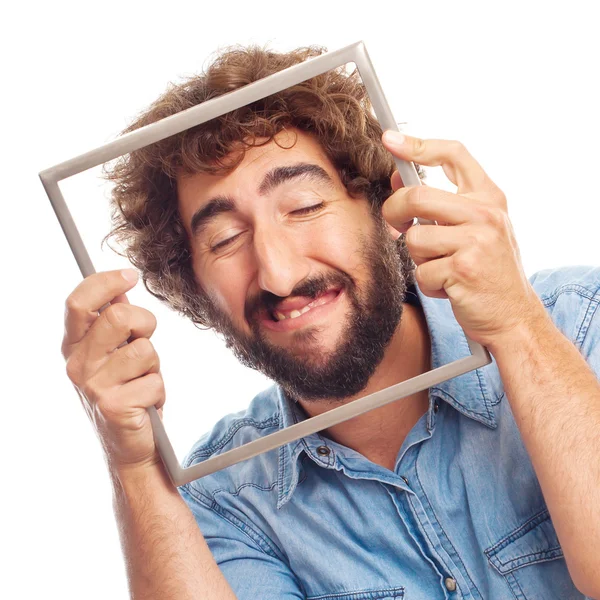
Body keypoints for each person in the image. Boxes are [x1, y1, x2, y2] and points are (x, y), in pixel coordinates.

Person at [61, 45, 600, 599]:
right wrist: (135, 466)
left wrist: (518, 330)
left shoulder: (582, 319)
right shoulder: (222, 502)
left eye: (303, 206)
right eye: (224, 240)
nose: (277, 272)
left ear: (386, 207)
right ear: (195, 288)